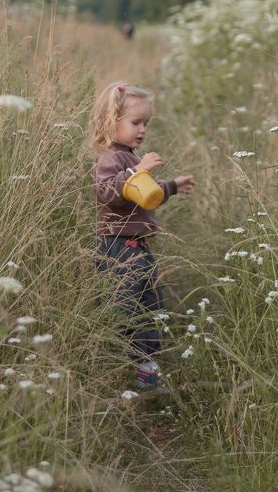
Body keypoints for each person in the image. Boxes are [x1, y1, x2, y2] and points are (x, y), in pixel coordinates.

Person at [88, 81, 195, 389]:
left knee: (150, 303)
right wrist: (138, 172)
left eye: (145, 123)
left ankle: (146, 372)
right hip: (117, 247)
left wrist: (172, 186)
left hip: (138, 246)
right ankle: (116, 364)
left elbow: (146, 195)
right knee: (124, 306)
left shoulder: (131, 158)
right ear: (111, 121)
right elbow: (108, 192)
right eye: (135, 122)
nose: (142, 130)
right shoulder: (111, 158)